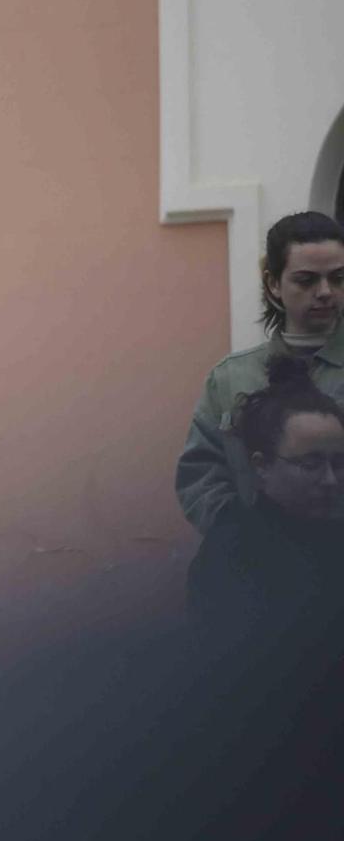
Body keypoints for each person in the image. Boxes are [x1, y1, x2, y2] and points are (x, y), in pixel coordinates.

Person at [176, 210, 344, 532]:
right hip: (259, 568)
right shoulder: (230, 378)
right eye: (307, 279)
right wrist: (242, 536)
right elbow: (200, 475)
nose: (325, 291)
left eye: (338, 278)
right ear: (273, 284)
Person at [186, 356, 344, 625]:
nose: (331, 480)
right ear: (261, 465)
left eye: (339, 463)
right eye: (311, 464)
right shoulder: (231, 556)